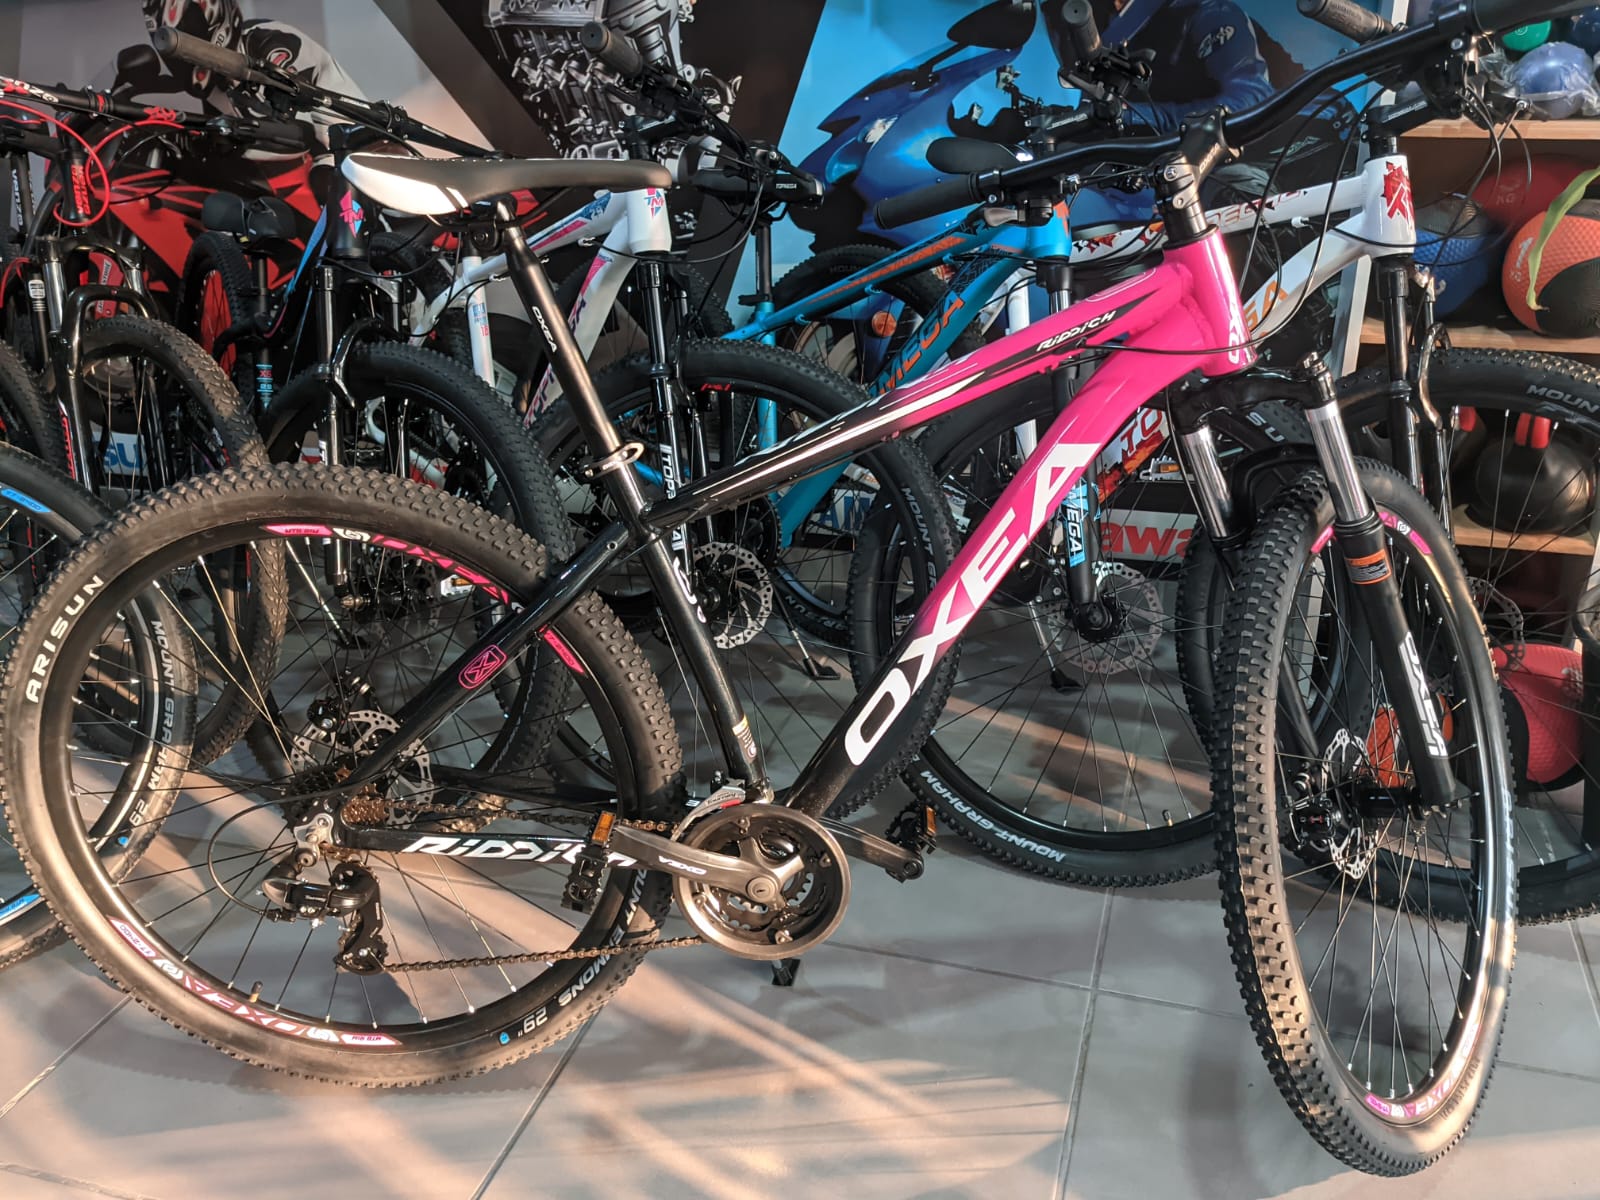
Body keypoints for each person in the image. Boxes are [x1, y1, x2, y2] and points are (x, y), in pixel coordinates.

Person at [142, 0, 365, 151]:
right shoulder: (213, 88)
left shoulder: (266, 39)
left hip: (353, 143)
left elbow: (307, 130)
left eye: (188, 27)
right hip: (314, 161)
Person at [1042, 0, 1275, 133]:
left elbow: (1250, 101)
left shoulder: (1207, 12)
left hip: (1229, 172)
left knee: (1238, 179)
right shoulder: (1100, 42)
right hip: (1133, 181)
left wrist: (1132, 117)